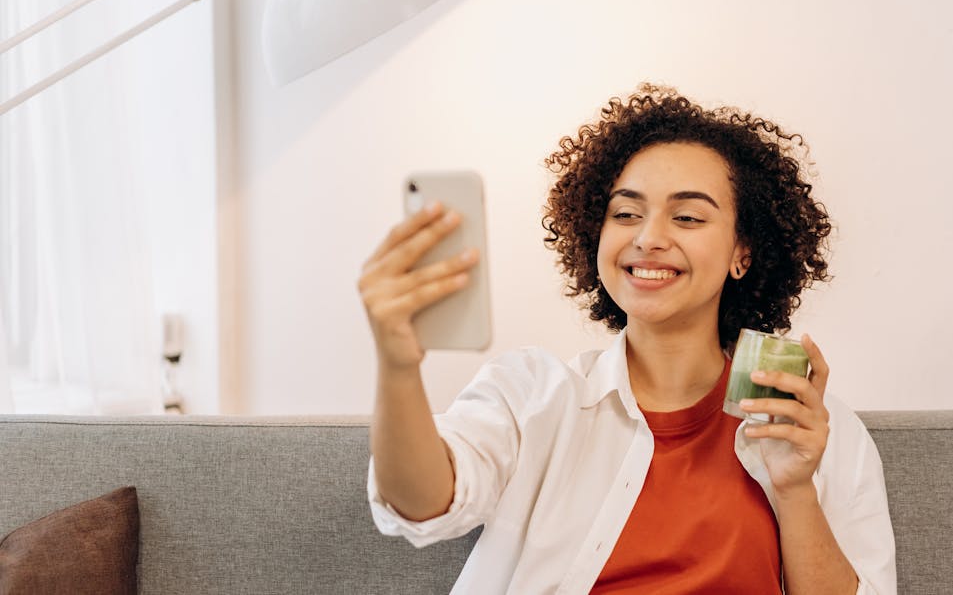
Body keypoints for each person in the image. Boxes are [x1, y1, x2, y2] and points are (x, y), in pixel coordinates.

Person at [359, 83, 896, 594]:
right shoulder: (533, 393)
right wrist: (397, 367)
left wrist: (796, 487)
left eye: (687, 217)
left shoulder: (816, 433)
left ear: (743, 254)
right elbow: (421, 504)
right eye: (625, 213)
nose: (649, 238)